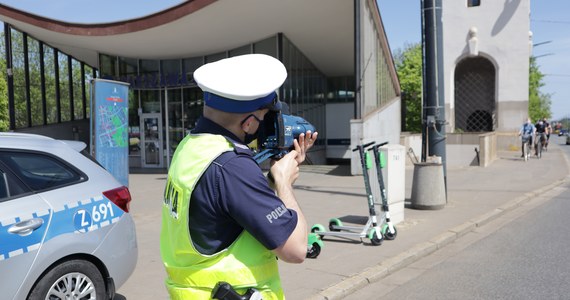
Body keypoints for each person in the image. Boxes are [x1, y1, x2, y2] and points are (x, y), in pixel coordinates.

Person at [160, 54, 318, 300]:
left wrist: (268, 182)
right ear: (248, 123)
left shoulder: (190, 147)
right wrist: (284, 184)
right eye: (266, 115)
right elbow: (296, 249)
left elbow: (221, 208)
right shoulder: (233, 167)